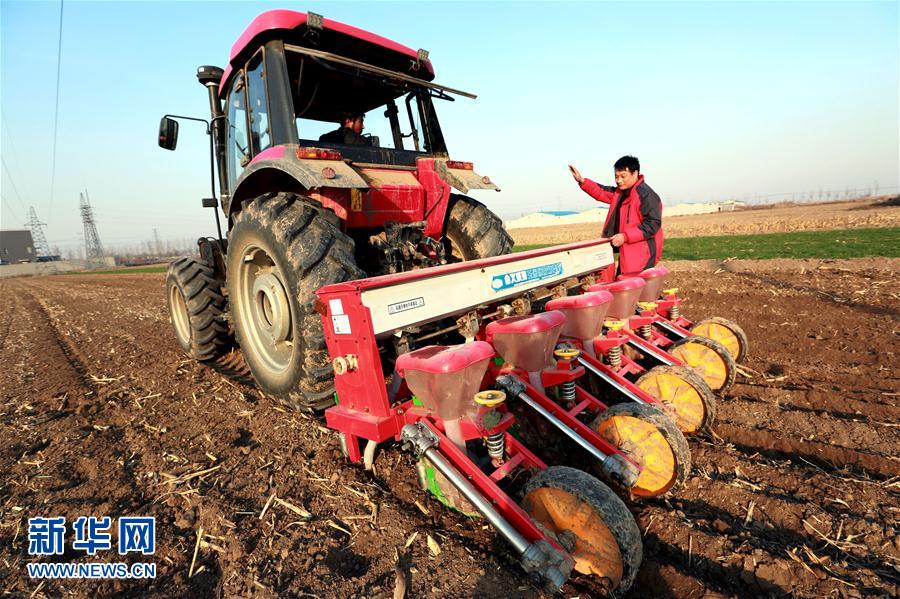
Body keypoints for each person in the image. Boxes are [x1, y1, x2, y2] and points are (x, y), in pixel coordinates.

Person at [569, 155, 663, 276]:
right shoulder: (619, 193)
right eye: (616, 176)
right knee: (620, 282)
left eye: (623, 176)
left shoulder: (646, 195)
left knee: (633, 285)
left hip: (642, 254)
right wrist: (582, 181)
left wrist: (625, 236)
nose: (619, 180)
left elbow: (652, 224)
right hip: (626, 252)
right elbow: (601, 192)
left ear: (635, 174)